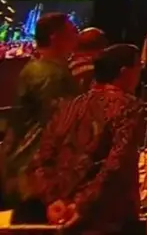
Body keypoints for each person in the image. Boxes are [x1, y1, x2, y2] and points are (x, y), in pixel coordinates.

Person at [28, 44, 143, 233]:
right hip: (108, 218)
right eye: (139, 66)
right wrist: (82, 205)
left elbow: (42, 157)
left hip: (64, 213)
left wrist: (53, 201)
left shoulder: (70, 106)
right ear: (125, 72)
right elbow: (117, 163)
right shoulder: (129, 107)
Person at [1, 12, 80, 222]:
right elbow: (59, 123)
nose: (77, 35)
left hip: (29, 168)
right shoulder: (49, 74)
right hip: (38, 171)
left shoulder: (42, 68)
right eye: (72, 31)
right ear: (55, 36)